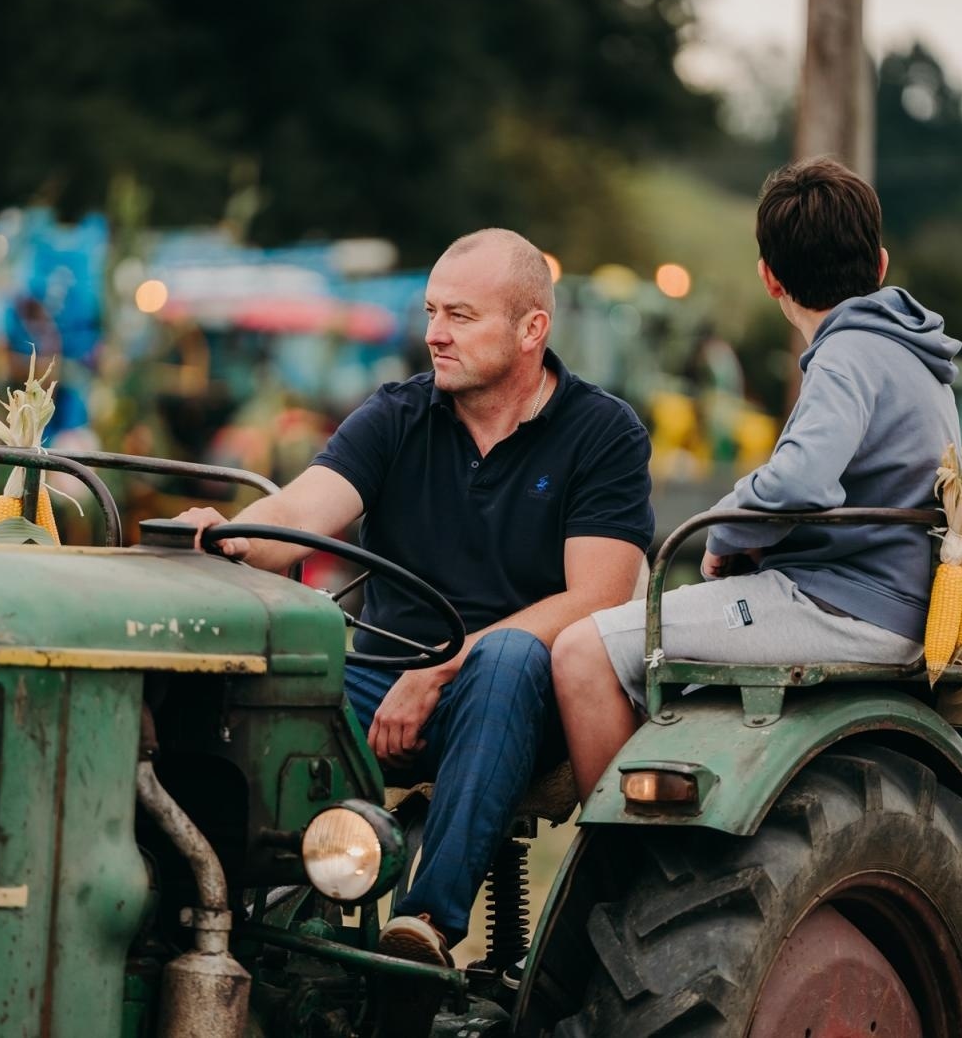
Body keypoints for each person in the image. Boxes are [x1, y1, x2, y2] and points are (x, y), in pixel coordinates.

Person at [174, 229, 654, 977]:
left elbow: (595, 595)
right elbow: (301, 515)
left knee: (508, 656)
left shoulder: (601, 432)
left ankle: (422, 928)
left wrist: (437, 672)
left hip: (524, 702)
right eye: (431, 311)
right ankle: (216, 915)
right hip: (386, 684)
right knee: (276, 672)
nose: (433, 333)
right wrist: (224, 538)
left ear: (532, 330)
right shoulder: (399, 414)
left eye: (460, 316)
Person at [552, 156, 960, 801]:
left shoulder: (847, 354)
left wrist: (722, 536)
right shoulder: (914, 354)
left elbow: (798, 480)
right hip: (886, 597)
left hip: (842, 604)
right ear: (880, 265)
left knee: (581, 651)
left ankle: (627, 861)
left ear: (769, 279)